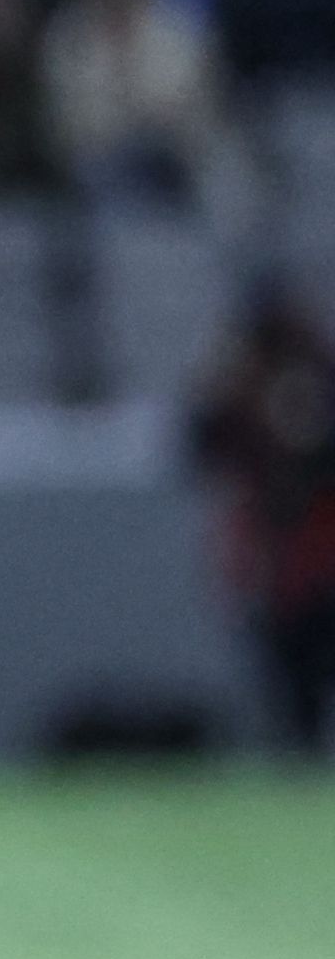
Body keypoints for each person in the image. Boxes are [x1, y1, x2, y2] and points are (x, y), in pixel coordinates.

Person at [188, 288, 335, 751]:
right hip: (274, 562)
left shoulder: (318, 377)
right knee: (287, 684)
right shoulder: (239, 393)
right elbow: (199, 447)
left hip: (318, 550)